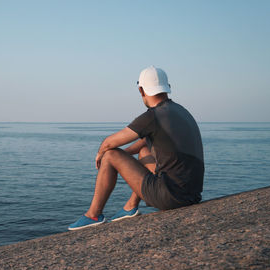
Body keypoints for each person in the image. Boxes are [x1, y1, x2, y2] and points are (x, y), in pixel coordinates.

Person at [68, 66, 204, 230]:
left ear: (141, 90)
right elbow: (145, 142)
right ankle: (130, 207)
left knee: (110, 154)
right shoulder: (180, 111)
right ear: (168, 88)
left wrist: (103, 155)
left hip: (172, 197)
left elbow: (110, 143)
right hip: (191, 195)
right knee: (144, 152)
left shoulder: (153, 116)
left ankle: (93, 215)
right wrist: (124, 160)